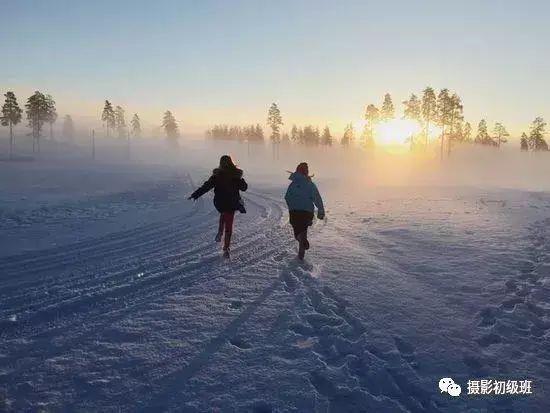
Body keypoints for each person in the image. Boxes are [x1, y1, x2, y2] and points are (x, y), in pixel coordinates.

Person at [189, 155, 248, 257]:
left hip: (220, 202)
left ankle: (220, 232)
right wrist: (240, 180)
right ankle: (226, 248)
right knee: (229, 222)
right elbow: (244, 188)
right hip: (232, 202)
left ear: (221, 163)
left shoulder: (217, 175)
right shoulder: (235, 175)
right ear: (231, 163)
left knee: (223, 213)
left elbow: (206, 186)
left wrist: (195, 194)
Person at [284, 162, 325, 260]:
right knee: (303, 230)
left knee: (297, 233)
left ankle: (301, 241)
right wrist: (321, 211)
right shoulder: (310, 184)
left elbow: (287, 197)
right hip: (307, 212)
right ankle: (301, 256)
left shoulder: (293, 184)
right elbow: (317, 198)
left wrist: (292, 206)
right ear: (306, 172)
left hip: (294, 212)